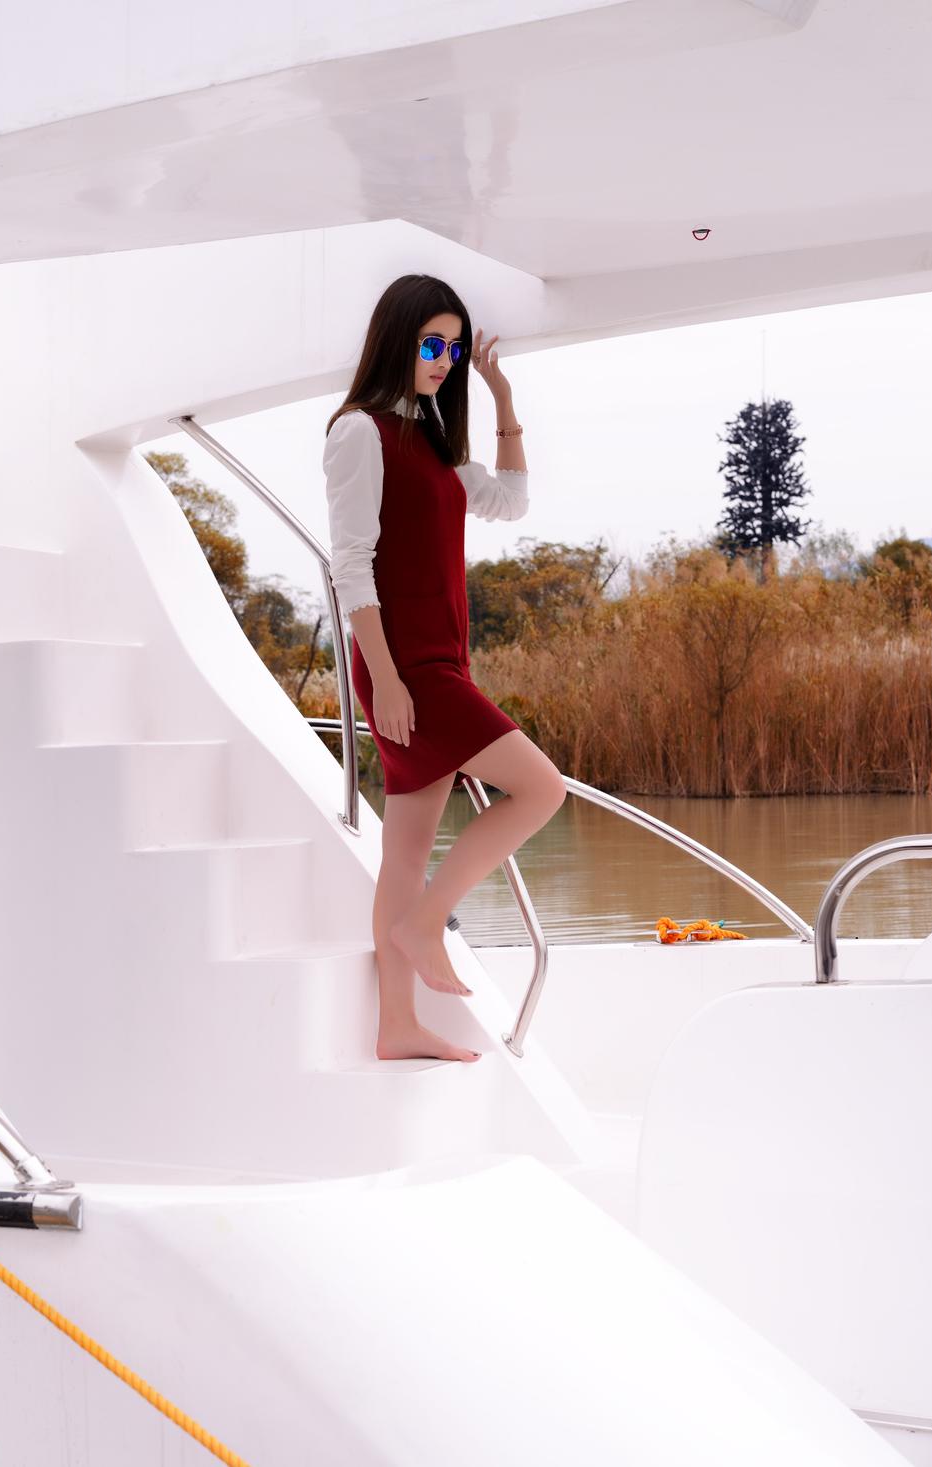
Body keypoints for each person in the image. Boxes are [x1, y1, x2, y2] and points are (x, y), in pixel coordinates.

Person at [322, 274, 566, 1063]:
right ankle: (427, 923)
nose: (443, 360)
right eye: (432, 344)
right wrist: (386, 678)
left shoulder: (431, 437)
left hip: (439, 661)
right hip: (408, 669)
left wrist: (501, 396)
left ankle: (397, 1024)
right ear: (397, 338)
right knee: (543, 788)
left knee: (404, 851)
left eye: (453, 350)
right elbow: (351, 564)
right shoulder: (358, 431)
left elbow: (511, 502)